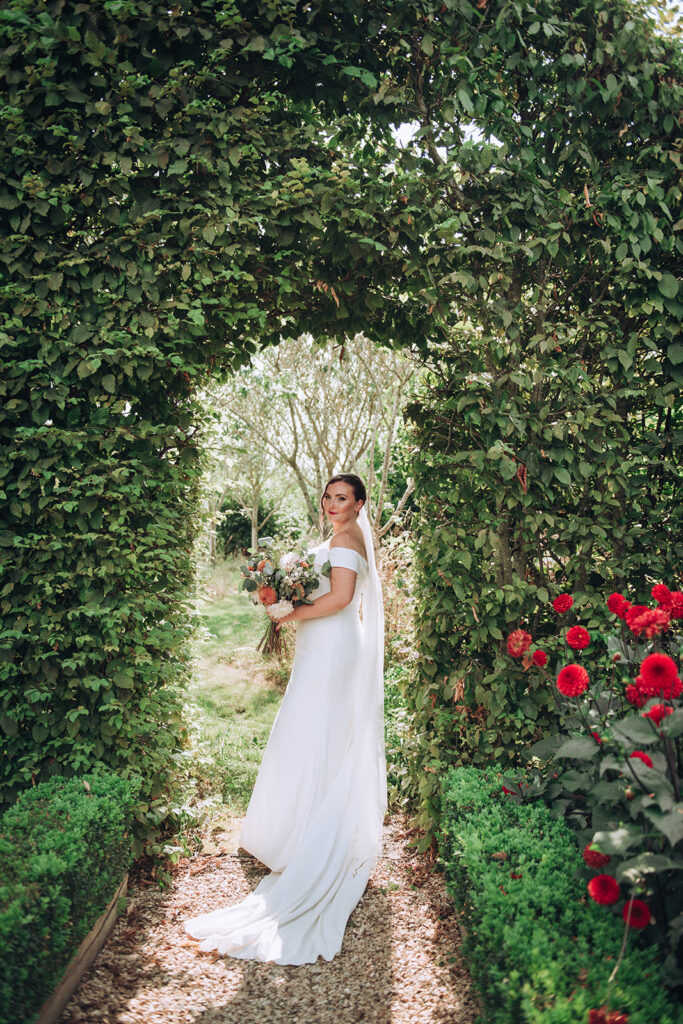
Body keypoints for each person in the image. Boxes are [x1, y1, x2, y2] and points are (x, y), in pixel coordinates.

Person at [183, 473, 386, 965]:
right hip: (323, 646)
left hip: (334, 646)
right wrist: (280, 595)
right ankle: (294, 830)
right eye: (328, 497)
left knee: (312, 730)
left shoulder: (348, 537)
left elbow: (339, 599)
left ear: (359, 505)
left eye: (343, 498)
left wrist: (287, 612)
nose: (332, 504)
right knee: (308, 730)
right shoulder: (338, 537)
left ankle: (307, 839)